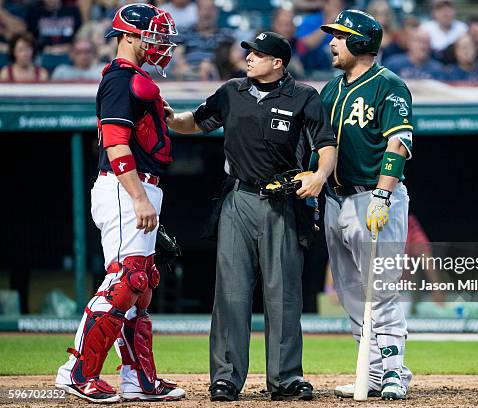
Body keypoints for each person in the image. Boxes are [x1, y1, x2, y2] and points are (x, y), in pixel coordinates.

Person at [164, 31, 337, 401]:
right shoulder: (231, 91)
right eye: (249, 53)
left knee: (284, 295)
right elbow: (194, 121)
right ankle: (225, 378)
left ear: (278, 63)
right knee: (230, 294)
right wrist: (167, 117)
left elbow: (326, 144)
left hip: (284, 203)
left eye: (258, 54)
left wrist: (321, 176)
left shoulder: (304, 96)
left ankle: (286, 379)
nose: (249, 58)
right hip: (238, 198)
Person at [54, 3, 185, 403]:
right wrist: (139, 197)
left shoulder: (137, 80)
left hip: (139, 188)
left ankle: (138, 379)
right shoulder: (118, 79)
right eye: (153, 36)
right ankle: (77, 371)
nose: (160, 44)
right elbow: (115, 143)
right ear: (128, 36)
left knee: (140, 286)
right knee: (126, 280)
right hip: (124, 187)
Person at [319, 9, 413, 400]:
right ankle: (370, 372)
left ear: (360, 42)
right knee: (351, 292)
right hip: (335, 199)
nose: (332, 43)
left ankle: (395, 372)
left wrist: (382, 193)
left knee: (382, 290)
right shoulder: (330, 89)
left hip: (373, 197)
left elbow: (400, 142)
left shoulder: (388, 85)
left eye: (339, 36)